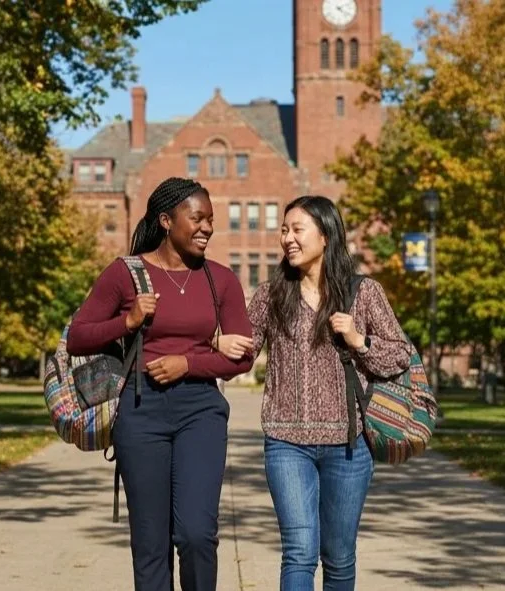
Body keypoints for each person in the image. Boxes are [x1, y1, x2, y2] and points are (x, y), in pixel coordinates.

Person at [66, 177, 254, 591]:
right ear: (167, 220)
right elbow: (78, 336)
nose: (206, 227)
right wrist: (128, 321)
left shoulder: (219, 280)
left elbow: (243, 355)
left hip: (201, 410)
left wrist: (188, 363)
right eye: (197, 218)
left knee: (196, 534)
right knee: (150, 544)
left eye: (211, 220)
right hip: (140, 410)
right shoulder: (125, 273)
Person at [216, 196, 412, 591]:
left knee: (339, 558)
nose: (287, 238)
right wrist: (216, 342)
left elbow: (400, 355)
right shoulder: (273, 294)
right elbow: (244, 350)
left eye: (296, 229)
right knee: (300, 551)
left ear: (325, 236)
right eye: (283, 230)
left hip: (348, 446)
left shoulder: (364, 293)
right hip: (287, 444)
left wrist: (359, 339)